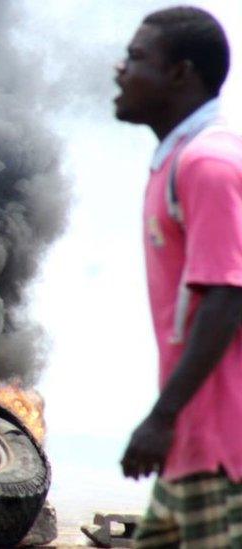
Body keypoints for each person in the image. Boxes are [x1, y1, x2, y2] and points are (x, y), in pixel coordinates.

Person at [114, 5, 242, 547]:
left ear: (180, 73)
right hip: (187, 449)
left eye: (137, 57)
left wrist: (161, 417)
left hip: (224, 452)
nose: (120, 70)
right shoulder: (173, 163)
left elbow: (227, 296)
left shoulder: (208, 164)